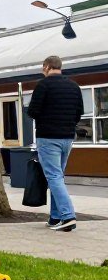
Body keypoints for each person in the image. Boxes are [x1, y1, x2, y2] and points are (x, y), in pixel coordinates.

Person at [27, 55, 85, 232]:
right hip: (67, 137)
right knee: (57, 177)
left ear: (46, 67)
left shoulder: (43, 85)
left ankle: (68, 216)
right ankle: (55, 217)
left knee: (53, 177)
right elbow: (79, 112)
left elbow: (32, 111)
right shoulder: (74, 86)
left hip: (48, 137)